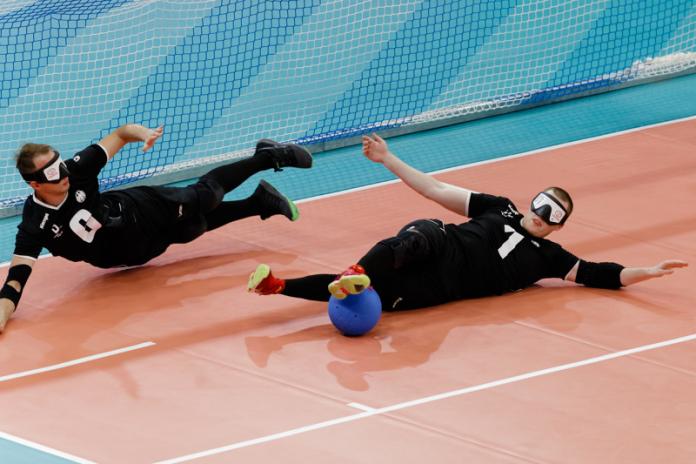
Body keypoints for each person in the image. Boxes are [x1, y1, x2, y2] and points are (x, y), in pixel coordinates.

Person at [248, 134, 687, 310]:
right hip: (440, 243)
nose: (540, 214)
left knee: (370, 299)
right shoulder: (500, 208)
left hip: (441, 288)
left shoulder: (551, 258)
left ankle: (281, 287)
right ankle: (357, 272)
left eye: (552, 214)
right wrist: (388, 159)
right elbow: (436, 191)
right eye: (540, 202)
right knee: (417, 236)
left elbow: (599, 274)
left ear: (559, 227)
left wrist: (645, 272)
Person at [0, 124, 313, 332]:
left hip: (139, 209)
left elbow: (120, 135)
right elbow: (14, 283)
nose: (63, 172)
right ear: (35, 184)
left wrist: (143, 133)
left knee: (205, 197)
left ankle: (267, 156)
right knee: (192, 227)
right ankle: (259, 203)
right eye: (53, 171)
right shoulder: (33, 225)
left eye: (60, 163)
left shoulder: (78, 170)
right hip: (127, 254)